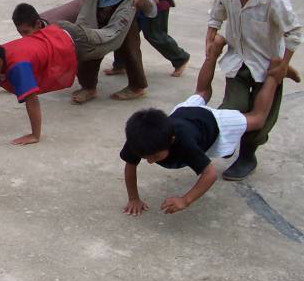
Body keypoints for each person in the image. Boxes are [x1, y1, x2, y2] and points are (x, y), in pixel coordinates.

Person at [0, 0, 139, 145]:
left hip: (76, 41)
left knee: (114, 34)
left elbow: (32, 101)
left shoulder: (17, 67)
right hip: (58, 32)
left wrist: (35, 135)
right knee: (88, 21)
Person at [120, 35, 283, 216]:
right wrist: (133, 198)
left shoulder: (184, 143)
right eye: (145, 157)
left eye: (155, 156)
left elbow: (209, 174)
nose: (150, 161)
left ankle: (274, 74)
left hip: (213, 122)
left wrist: (185, 200)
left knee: (257, 119)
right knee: (202, 92)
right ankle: (212, 53)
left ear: (172, 140)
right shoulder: (139, 138)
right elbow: (130, 165)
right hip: (184, 112)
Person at [207, 0, 303, 180]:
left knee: (261, 119)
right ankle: (228, 139)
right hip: (237, 60)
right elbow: (216, 15)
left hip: (268, 64)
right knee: (232, 109)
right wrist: (211, 37)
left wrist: (282, 66)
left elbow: (294, 34)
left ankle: (248, 156)